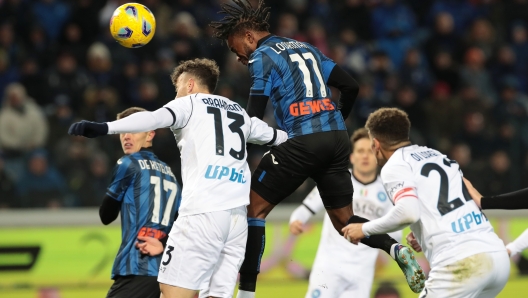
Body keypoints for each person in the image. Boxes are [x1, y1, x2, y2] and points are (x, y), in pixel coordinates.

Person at [209, 1, 425, 296]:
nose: (238, 57)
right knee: (345, 222)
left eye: (236, 49)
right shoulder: (307, 48)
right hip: (336, 138)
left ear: (248, 36)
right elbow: (350, 86)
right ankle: (394, 247)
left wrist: (235, 149)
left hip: (302, 139)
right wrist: (333, 122)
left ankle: (246, 293)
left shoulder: (262, 56)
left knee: (253, 210)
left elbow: (254, 116)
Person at [68, 58, 288, 298]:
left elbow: (151, 119)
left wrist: (105, 127)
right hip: (236, 220)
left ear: (190, 85)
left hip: (203, 212)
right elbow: (279, 137)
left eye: (178, 89)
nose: (176, 96)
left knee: (171, 293)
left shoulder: (189, 104)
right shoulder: (237, 111)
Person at [342, 107, 510, 298]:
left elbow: (408, 212)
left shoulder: (395, 166)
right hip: (496, 256)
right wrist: (424, 232)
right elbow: (456, 202)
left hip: (463, 262)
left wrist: (363, 229)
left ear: (376, 144)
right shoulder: (437, 155)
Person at [289, 128, 402, 298]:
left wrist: (384, 255)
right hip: (329, 266)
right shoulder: (335, 180)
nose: (365, 156)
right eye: (360, 151)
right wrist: (296, 220)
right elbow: (306, 208)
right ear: (352, 157)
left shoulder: (388, 191)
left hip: (362, 271)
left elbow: (396, 229)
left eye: (369, 151)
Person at [93, 107, 182, 298]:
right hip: (167, 272)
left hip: (136, 266)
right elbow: (183, 224)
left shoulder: (128, 163)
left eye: (133, 130)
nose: (126, 136)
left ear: (150, 134)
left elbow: (106, 216)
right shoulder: (171, 175)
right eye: (122, 131)